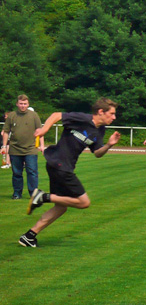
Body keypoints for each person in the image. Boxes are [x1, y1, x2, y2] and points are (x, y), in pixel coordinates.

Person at [18, 97, 121, 248]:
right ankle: (43, 197)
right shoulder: (83, 119)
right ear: (101, 111)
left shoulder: (100, 130)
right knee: (84, 202)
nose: (114, 117)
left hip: (59, 166)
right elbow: (56, 115)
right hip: (60, 165)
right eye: (111, 113)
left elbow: (97, 153)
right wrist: (44, 130)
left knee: (61, 206)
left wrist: (109, 145)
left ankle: (29, 236)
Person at [2, 95, 44, 199]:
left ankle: (33, 194)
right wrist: (4, 146)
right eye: (21, 103)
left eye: (25, 104)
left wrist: (42, 145)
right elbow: (6, 132)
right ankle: (17, 193)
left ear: (28, 104)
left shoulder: (34, 115)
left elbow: (40, 131)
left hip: (30, 148)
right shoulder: (12, 116)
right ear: (17, 104)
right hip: (15, 149)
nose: (23, 106)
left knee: (32, 172)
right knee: (16, 173)